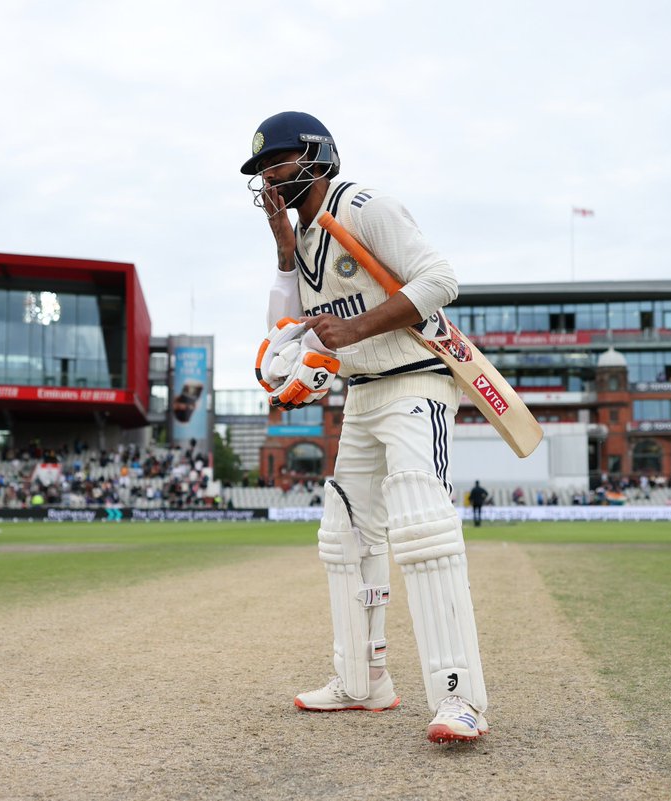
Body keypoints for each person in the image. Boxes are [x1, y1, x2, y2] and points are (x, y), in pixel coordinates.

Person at [242, 111, 489, 744]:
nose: (270, 176)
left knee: (424, 531)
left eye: (279, 161)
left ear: (319, 156)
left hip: (416, 380)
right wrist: (281, 249)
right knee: (344, 538)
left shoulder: (366, 205)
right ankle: (363, 680)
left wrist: (354, 330)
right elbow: (290, 325)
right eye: (262, 169)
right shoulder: (301, 240)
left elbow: (441, 281)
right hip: (361, 396)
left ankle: (460, 699)